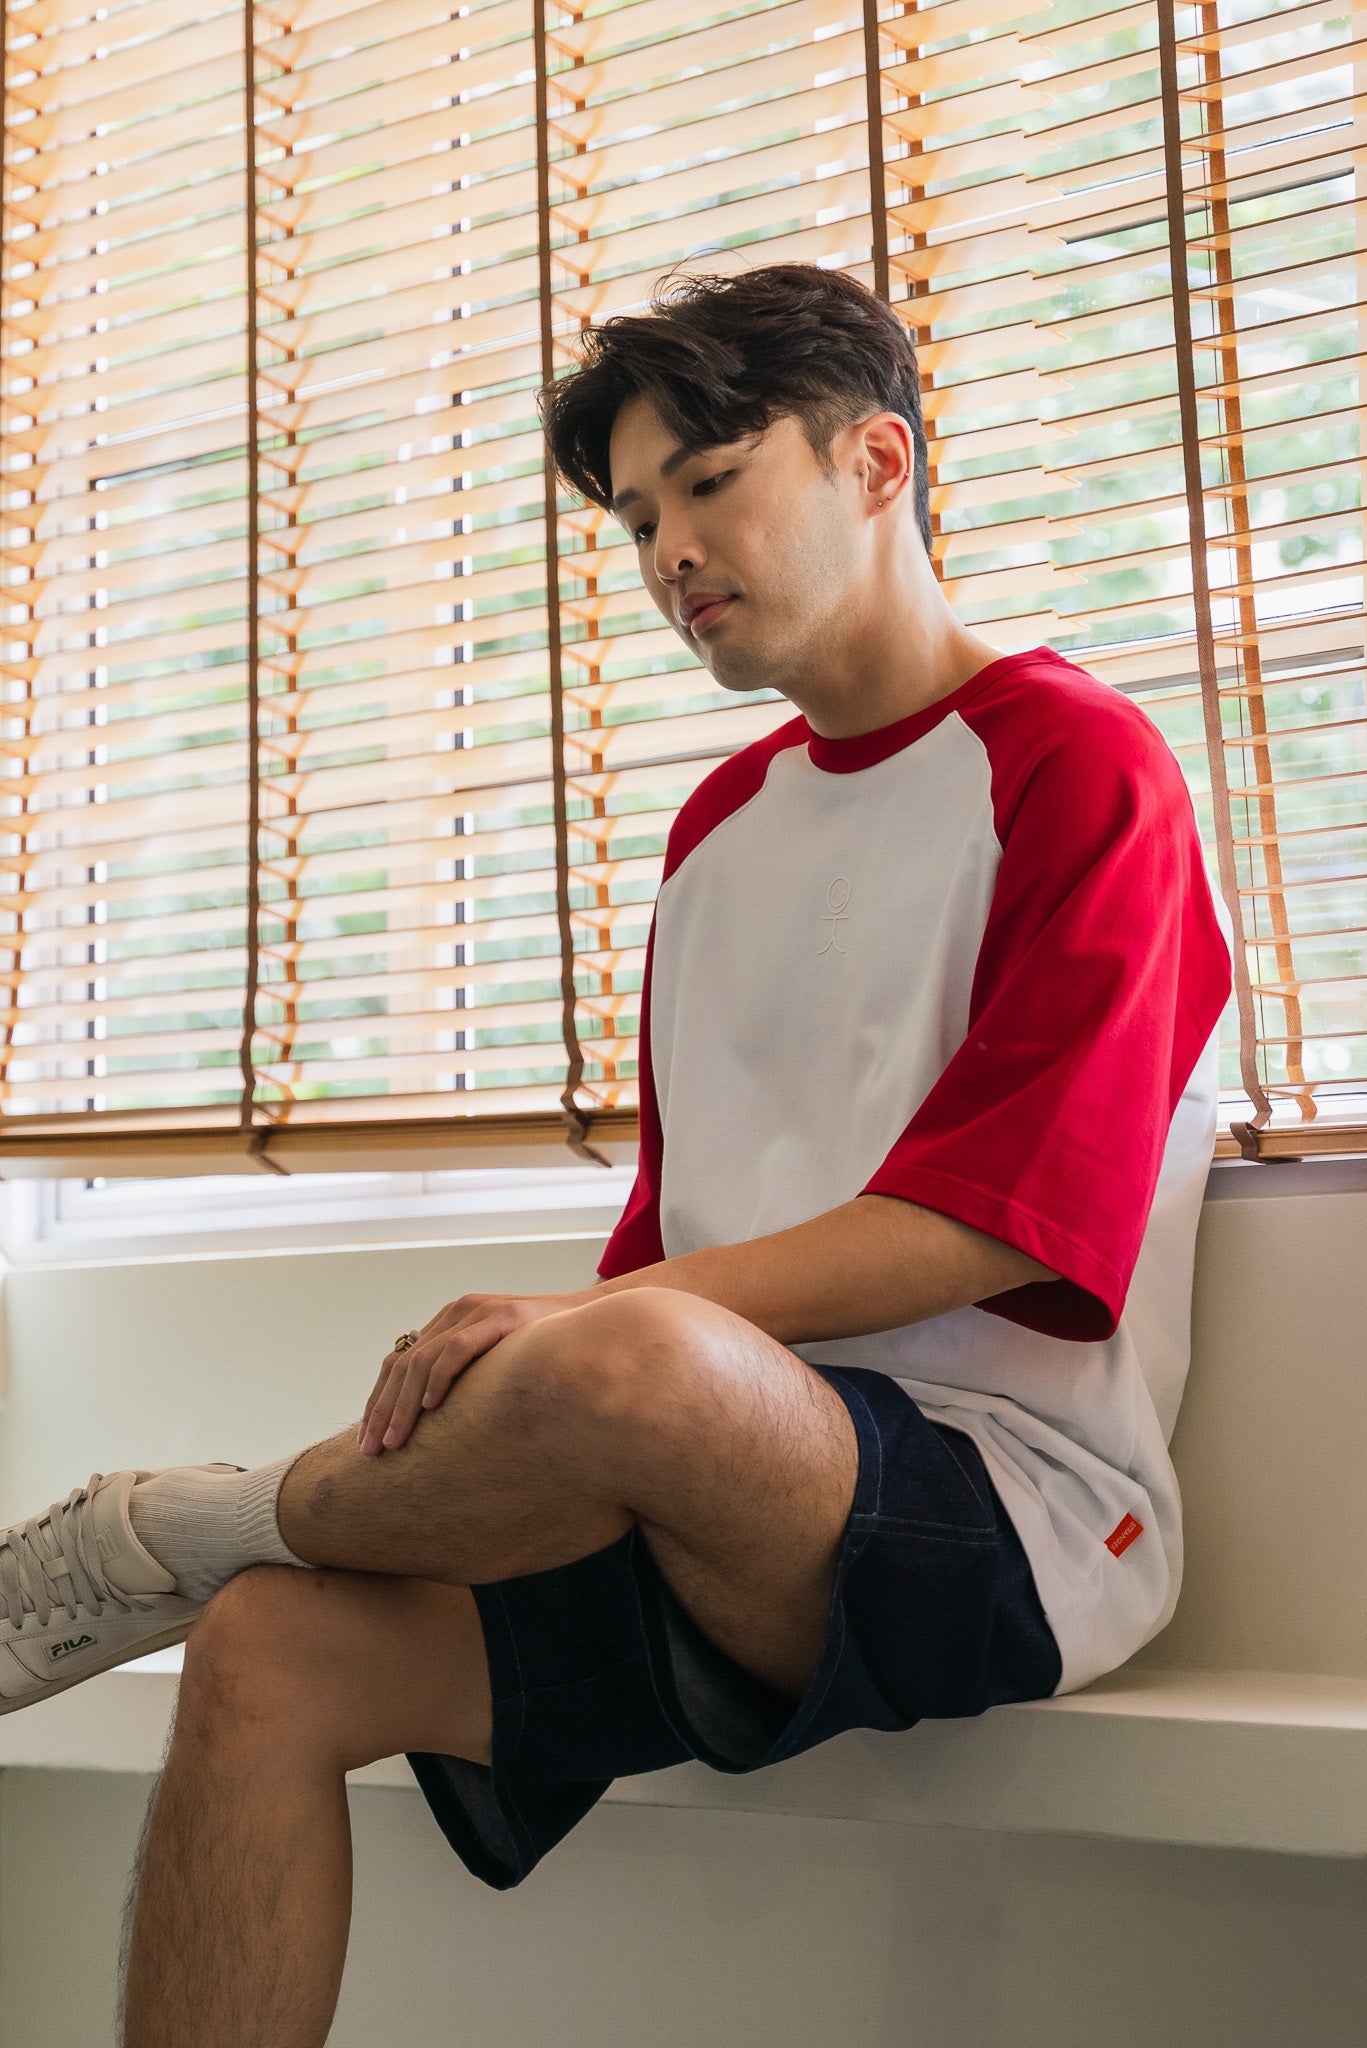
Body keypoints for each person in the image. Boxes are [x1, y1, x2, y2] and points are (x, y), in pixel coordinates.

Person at [0, 262, 1233, 2047]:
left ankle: (169, 1532)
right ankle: (218, 1559)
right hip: (711, 1483)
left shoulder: (1080, 767)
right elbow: (676, 1228)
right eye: (639, 516)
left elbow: (997, 1221)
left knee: (633, 1341)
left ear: (877, 460)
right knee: (272, 1646)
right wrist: (589, 1355)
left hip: (1010, 1514)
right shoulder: (720, 830)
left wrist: (603, 1342)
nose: (666, 553)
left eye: (709, 483)